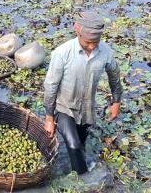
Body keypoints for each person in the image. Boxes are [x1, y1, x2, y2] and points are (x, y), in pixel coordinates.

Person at [43, 11, 123, 174]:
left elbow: (114, 77)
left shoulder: (106, 53)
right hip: (64, 109)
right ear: (77, 32)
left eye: (96, 41)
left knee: (81, 144)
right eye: (88, 42)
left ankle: (78, 169)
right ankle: (83, 182)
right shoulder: (62, 53)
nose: (92, 46)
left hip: (87, 110)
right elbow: (51, 86)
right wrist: (49, 117)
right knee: (74, 145)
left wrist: (116, 102)